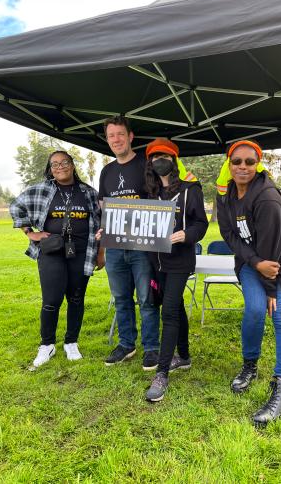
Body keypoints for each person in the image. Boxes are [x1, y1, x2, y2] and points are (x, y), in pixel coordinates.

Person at [216, 140, 281, 426]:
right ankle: (250, 366)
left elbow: (273, 248)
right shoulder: (226, 196)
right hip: (254, 262)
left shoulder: (266, 197)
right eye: (237, 162)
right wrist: (254, 263)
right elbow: (229, 235)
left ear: (258, 165)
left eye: (249, 162)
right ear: (229, 165)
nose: (243, 167)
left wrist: (271, 288)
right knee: (255, 310)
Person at [10, 151, 102, 368]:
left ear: (72, 165)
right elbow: (16, 205)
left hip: (81, 252)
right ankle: (47, 345)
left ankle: (71, 342)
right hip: (51, 253)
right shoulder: (42, 190)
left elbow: (101, 222)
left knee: (76, 298)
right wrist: (29, 232)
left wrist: (101, 252)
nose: (60, 167)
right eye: (55, 164)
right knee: (51, 300)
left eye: (65, 162)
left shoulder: (88, 193)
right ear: (50, 168)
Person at [143, 139, 208, 402]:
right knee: (176, 305)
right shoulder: (149, 191)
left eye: (165, 156)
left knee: (168, 310)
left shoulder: (191, 189)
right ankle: (184, 356)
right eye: (155, 156)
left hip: (180, 260)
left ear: (174, 160)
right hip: (156, 262)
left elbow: (201, 223)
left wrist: (186, 235)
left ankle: (162, 373)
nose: (160, 160)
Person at [98, 116, 160, 370]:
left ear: (130, 136)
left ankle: (152, 348)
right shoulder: (107, 171)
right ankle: (126, 344)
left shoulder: (147, 166)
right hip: (114, 248)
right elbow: (104, 207)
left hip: (142, 247)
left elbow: (158, 203)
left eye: (120, 134)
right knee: (121, 297)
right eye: (111, 135)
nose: (116, 140)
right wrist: (103, 235)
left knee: (146, 299)